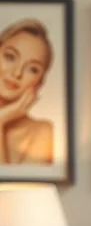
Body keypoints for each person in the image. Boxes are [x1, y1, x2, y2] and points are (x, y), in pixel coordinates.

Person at [0, 18, 55, 165]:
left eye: (32, 69)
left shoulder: (41, 131)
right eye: (10, 57)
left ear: (39, 82)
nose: (17, 73)